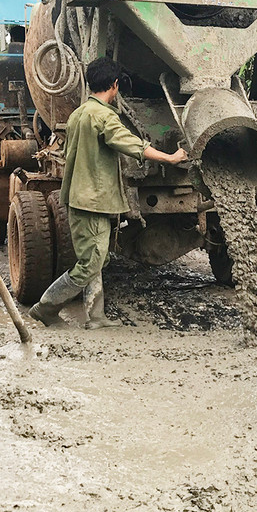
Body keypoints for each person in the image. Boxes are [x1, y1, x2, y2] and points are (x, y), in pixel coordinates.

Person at [30, 57, 188, 329]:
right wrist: (170, 158)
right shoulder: (103, 116)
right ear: (114, 85)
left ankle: (96, 316)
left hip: (84, 198)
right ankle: (45, 307)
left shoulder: (78, 114)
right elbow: (132, 144)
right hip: (91, 200)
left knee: (98, 258)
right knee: (90, 263)